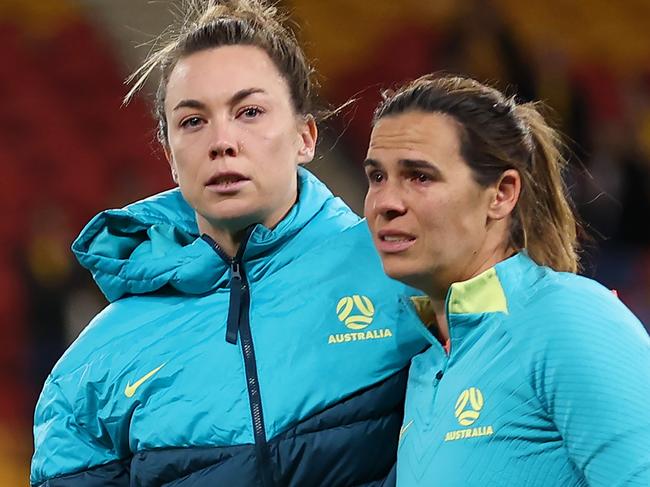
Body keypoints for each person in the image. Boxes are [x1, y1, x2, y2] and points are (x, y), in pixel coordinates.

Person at [30, 2, 427, 486]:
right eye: (193, 121)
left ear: (306, 137)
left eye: (250, 112)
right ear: (171, 156)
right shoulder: (91, 370)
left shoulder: (409, 272)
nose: (222, 141)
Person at [363, 74, 650, 486]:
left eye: (420, 176)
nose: (386, 202)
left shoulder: (569, 318)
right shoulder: (426, 358)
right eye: (377, 177)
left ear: (501, 194)